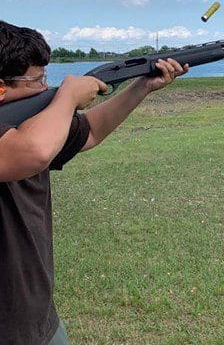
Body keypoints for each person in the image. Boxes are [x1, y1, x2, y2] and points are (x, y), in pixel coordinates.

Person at [0, 20, 189, 344]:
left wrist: (141, 86)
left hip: (38, 319)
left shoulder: (35, 123)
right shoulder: (30, 136)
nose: (46, 88)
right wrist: (67, 97)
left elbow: (90, 131)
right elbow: (34, 151)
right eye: (38, 80)